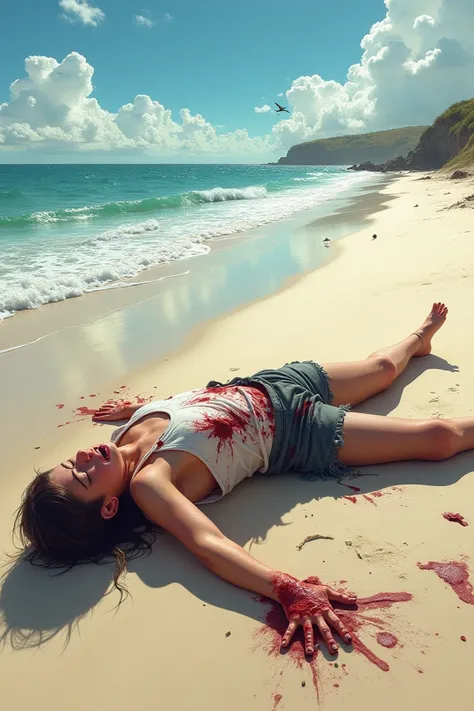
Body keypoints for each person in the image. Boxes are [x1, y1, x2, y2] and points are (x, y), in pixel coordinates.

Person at [16, 302, 469, 657]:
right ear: (108, 506)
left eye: (68, 461)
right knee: (438, 438)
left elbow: (190, 403)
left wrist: (137, 408)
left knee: (382, 372)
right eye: (82, 475)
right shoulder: (149, 483)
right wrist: (287, 588)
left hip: (266, 382)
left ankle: (417, 338)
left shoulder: (124, 431)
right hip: (294, 429)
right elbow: (207, 544)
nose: (82, 457)